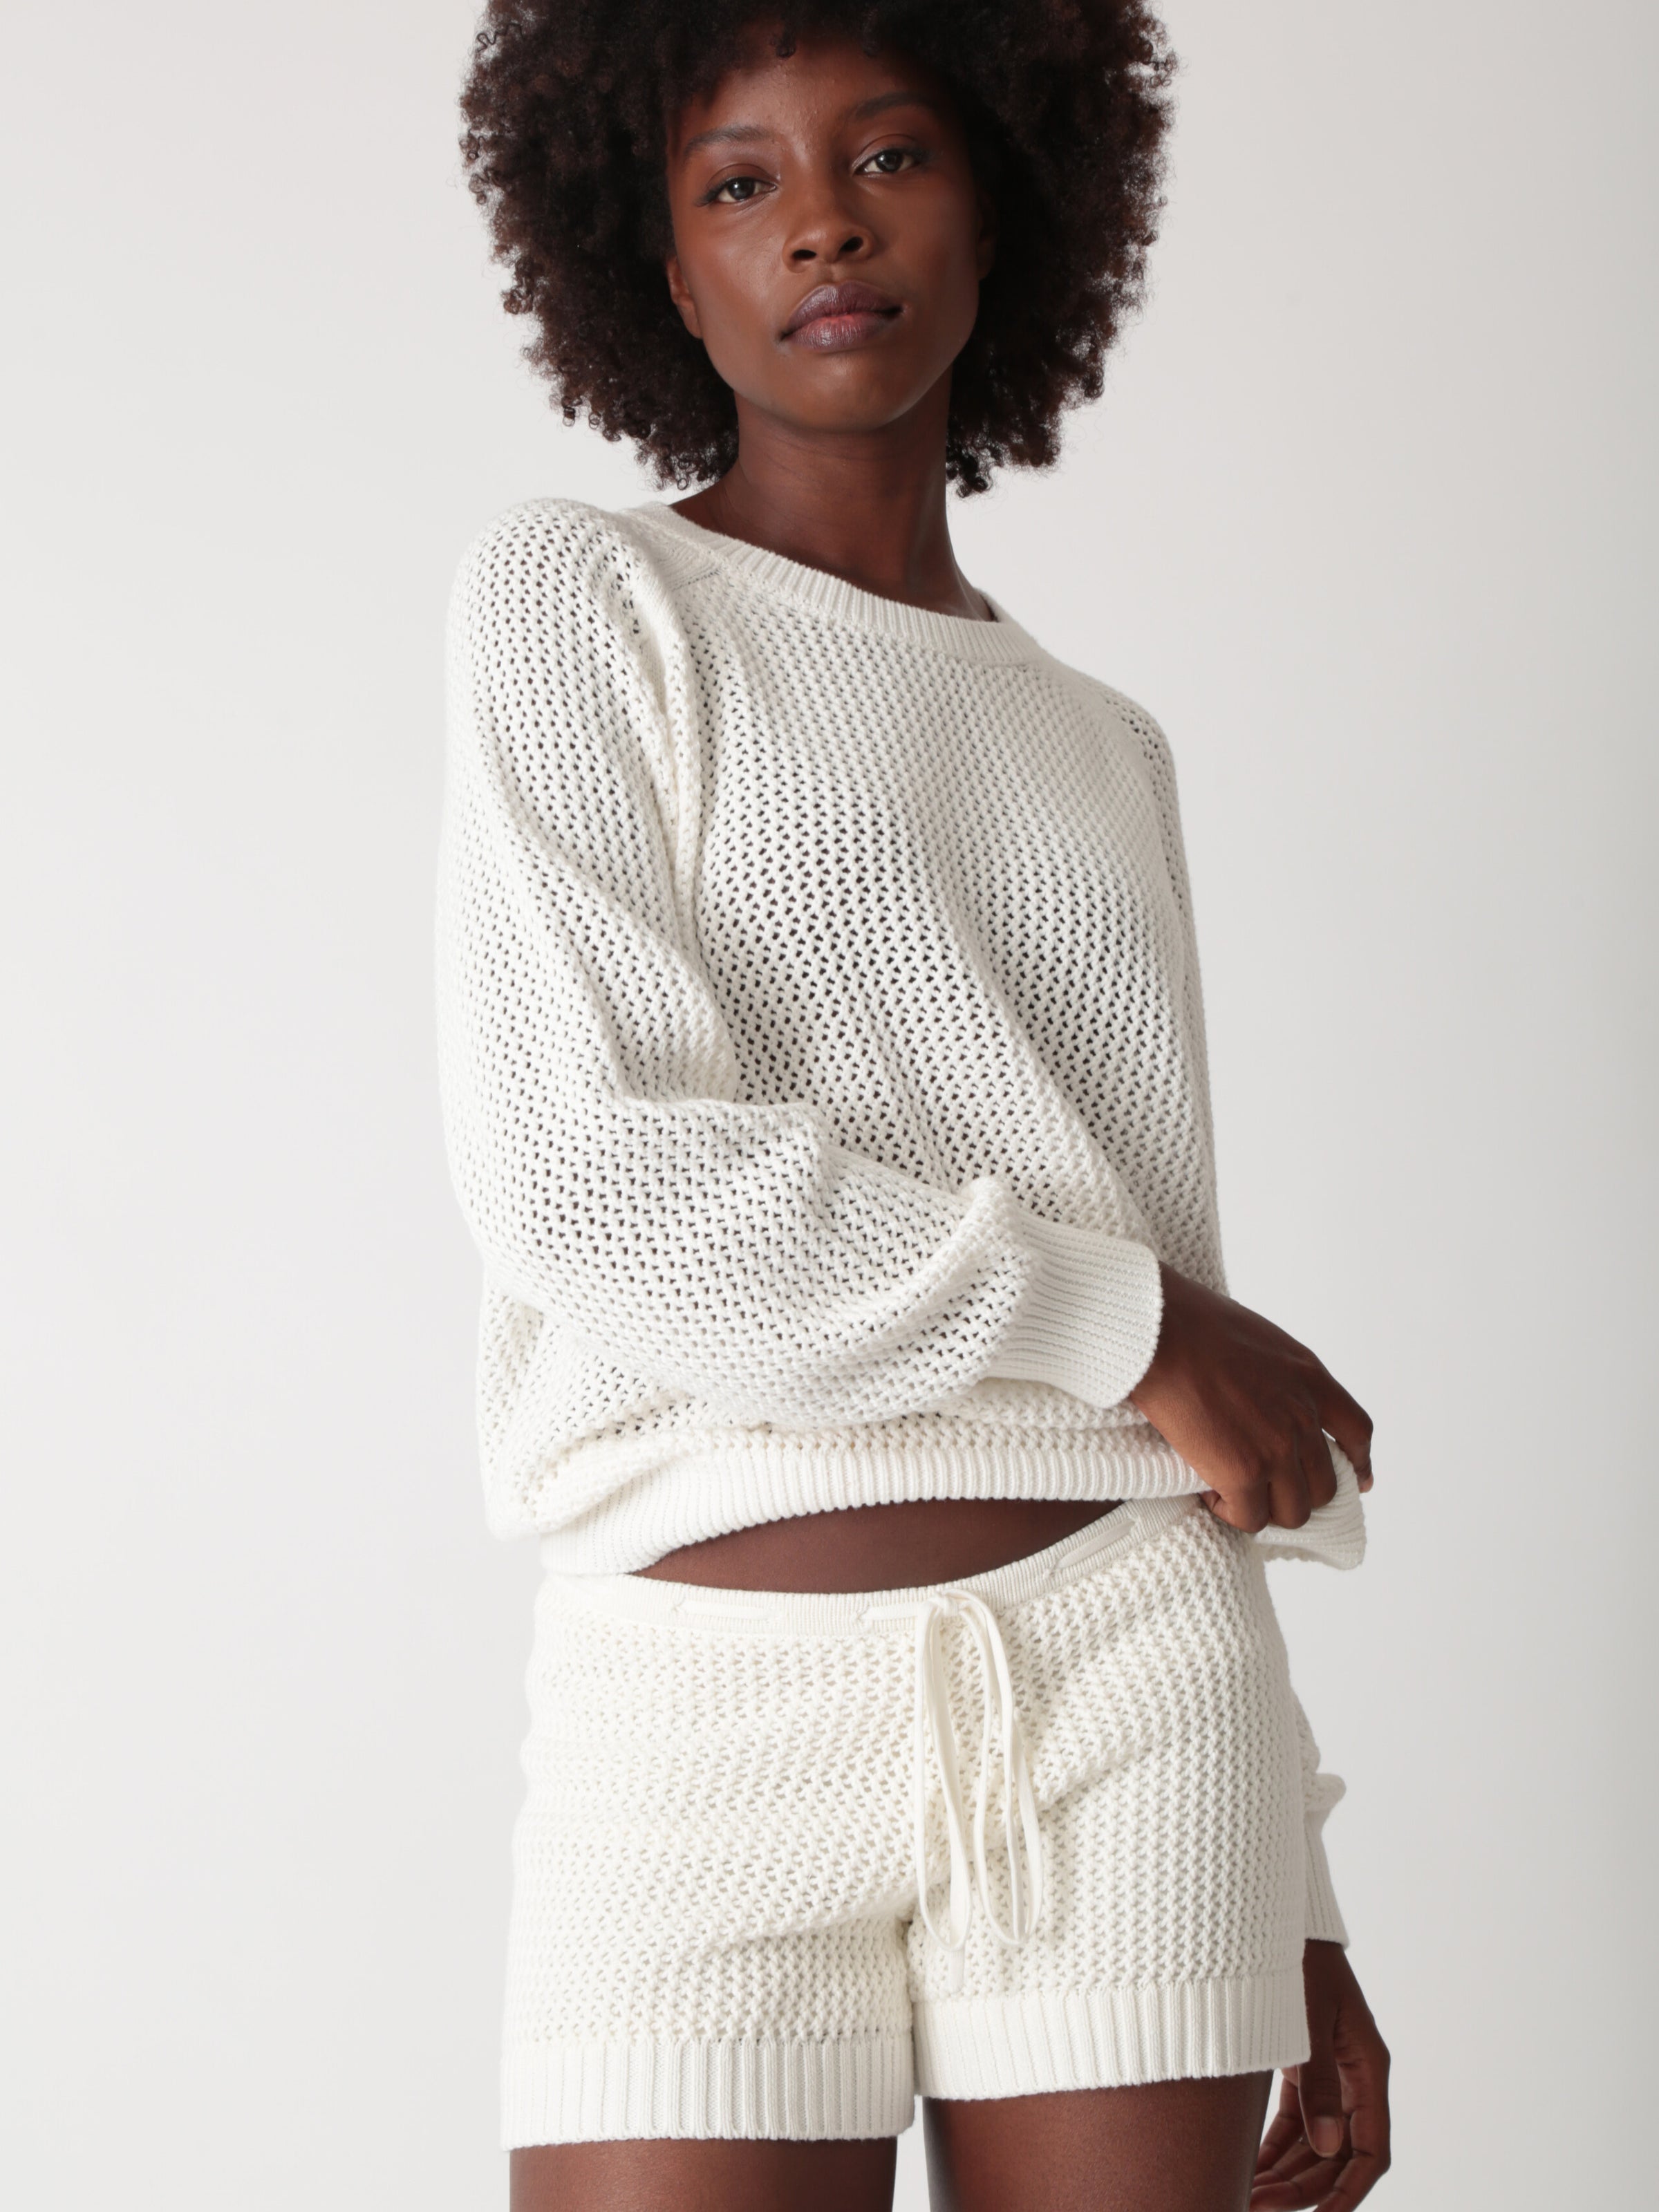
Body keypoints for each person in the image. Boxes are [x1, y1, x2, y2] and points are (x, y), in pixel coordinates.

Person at [439, 6, 1391, 2206]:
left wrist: (1298, 1889)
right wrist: (1125, 1323)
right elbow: (590, 1182)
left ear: (1004, 207)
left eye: (889, 156)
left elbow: (1176, 1353)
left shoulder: (1104, 743)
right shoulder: (590, 597)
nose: (824, 225)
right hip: (701, 1705)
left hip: (1138, 1687)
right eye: (739, 182)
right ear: (664, 275)